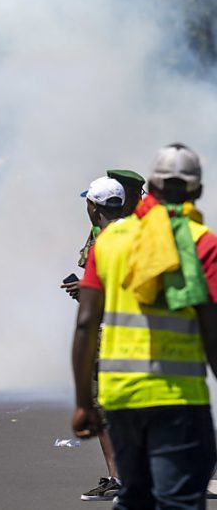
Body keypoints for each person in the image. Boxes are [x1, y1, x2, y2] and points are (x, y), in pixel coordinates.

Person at [72, 144, 217, 509]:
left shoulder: (111, 242)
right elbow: (212, 327)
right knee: (180, 499)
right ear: (197, 191)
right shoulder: (202, 243)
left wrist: (82, 401)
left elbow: (87, 322)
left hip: (122, 398)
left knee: (135, 496)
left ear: (151, 185)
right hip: (179, 398)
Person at [59, 177, 125, 501]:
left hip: (108, 332)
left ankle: (119, 477)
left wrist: (84, 292)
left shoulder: (105, 243)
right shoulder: (141, 236)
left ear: (93, 206)